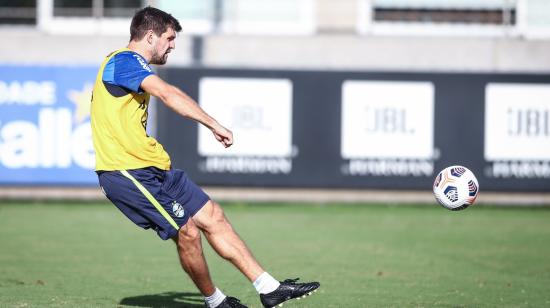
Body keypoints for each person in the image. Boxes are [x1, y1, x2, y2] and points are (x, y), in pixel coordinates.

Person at [90, 6, 319, 308]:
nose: (173, 45)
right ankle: (216, 302)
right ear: (149, 35)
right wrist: (213, 124)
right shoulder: (124, 61)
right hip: (126, 171)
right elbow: (168, 94)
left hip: (152, 167)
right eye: (169, 38)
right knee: (188, 232)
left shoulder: (128, 65)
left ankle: (269, 288)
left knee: (213, 216)